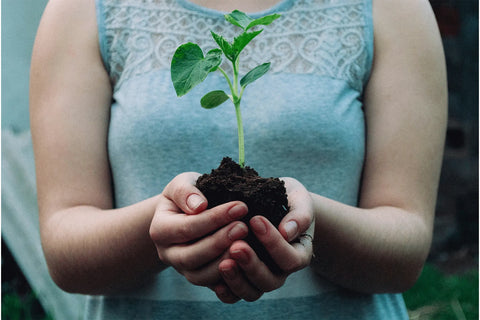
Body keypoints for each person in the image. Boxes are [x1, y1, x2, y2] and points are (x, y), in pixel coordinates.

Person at [29, 0, 447, 318]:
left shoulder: (393, 8)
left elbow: (405, 250)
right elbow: (66, 253)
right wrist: (160, 229)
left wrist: (311, 221)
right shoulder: (83, 9)